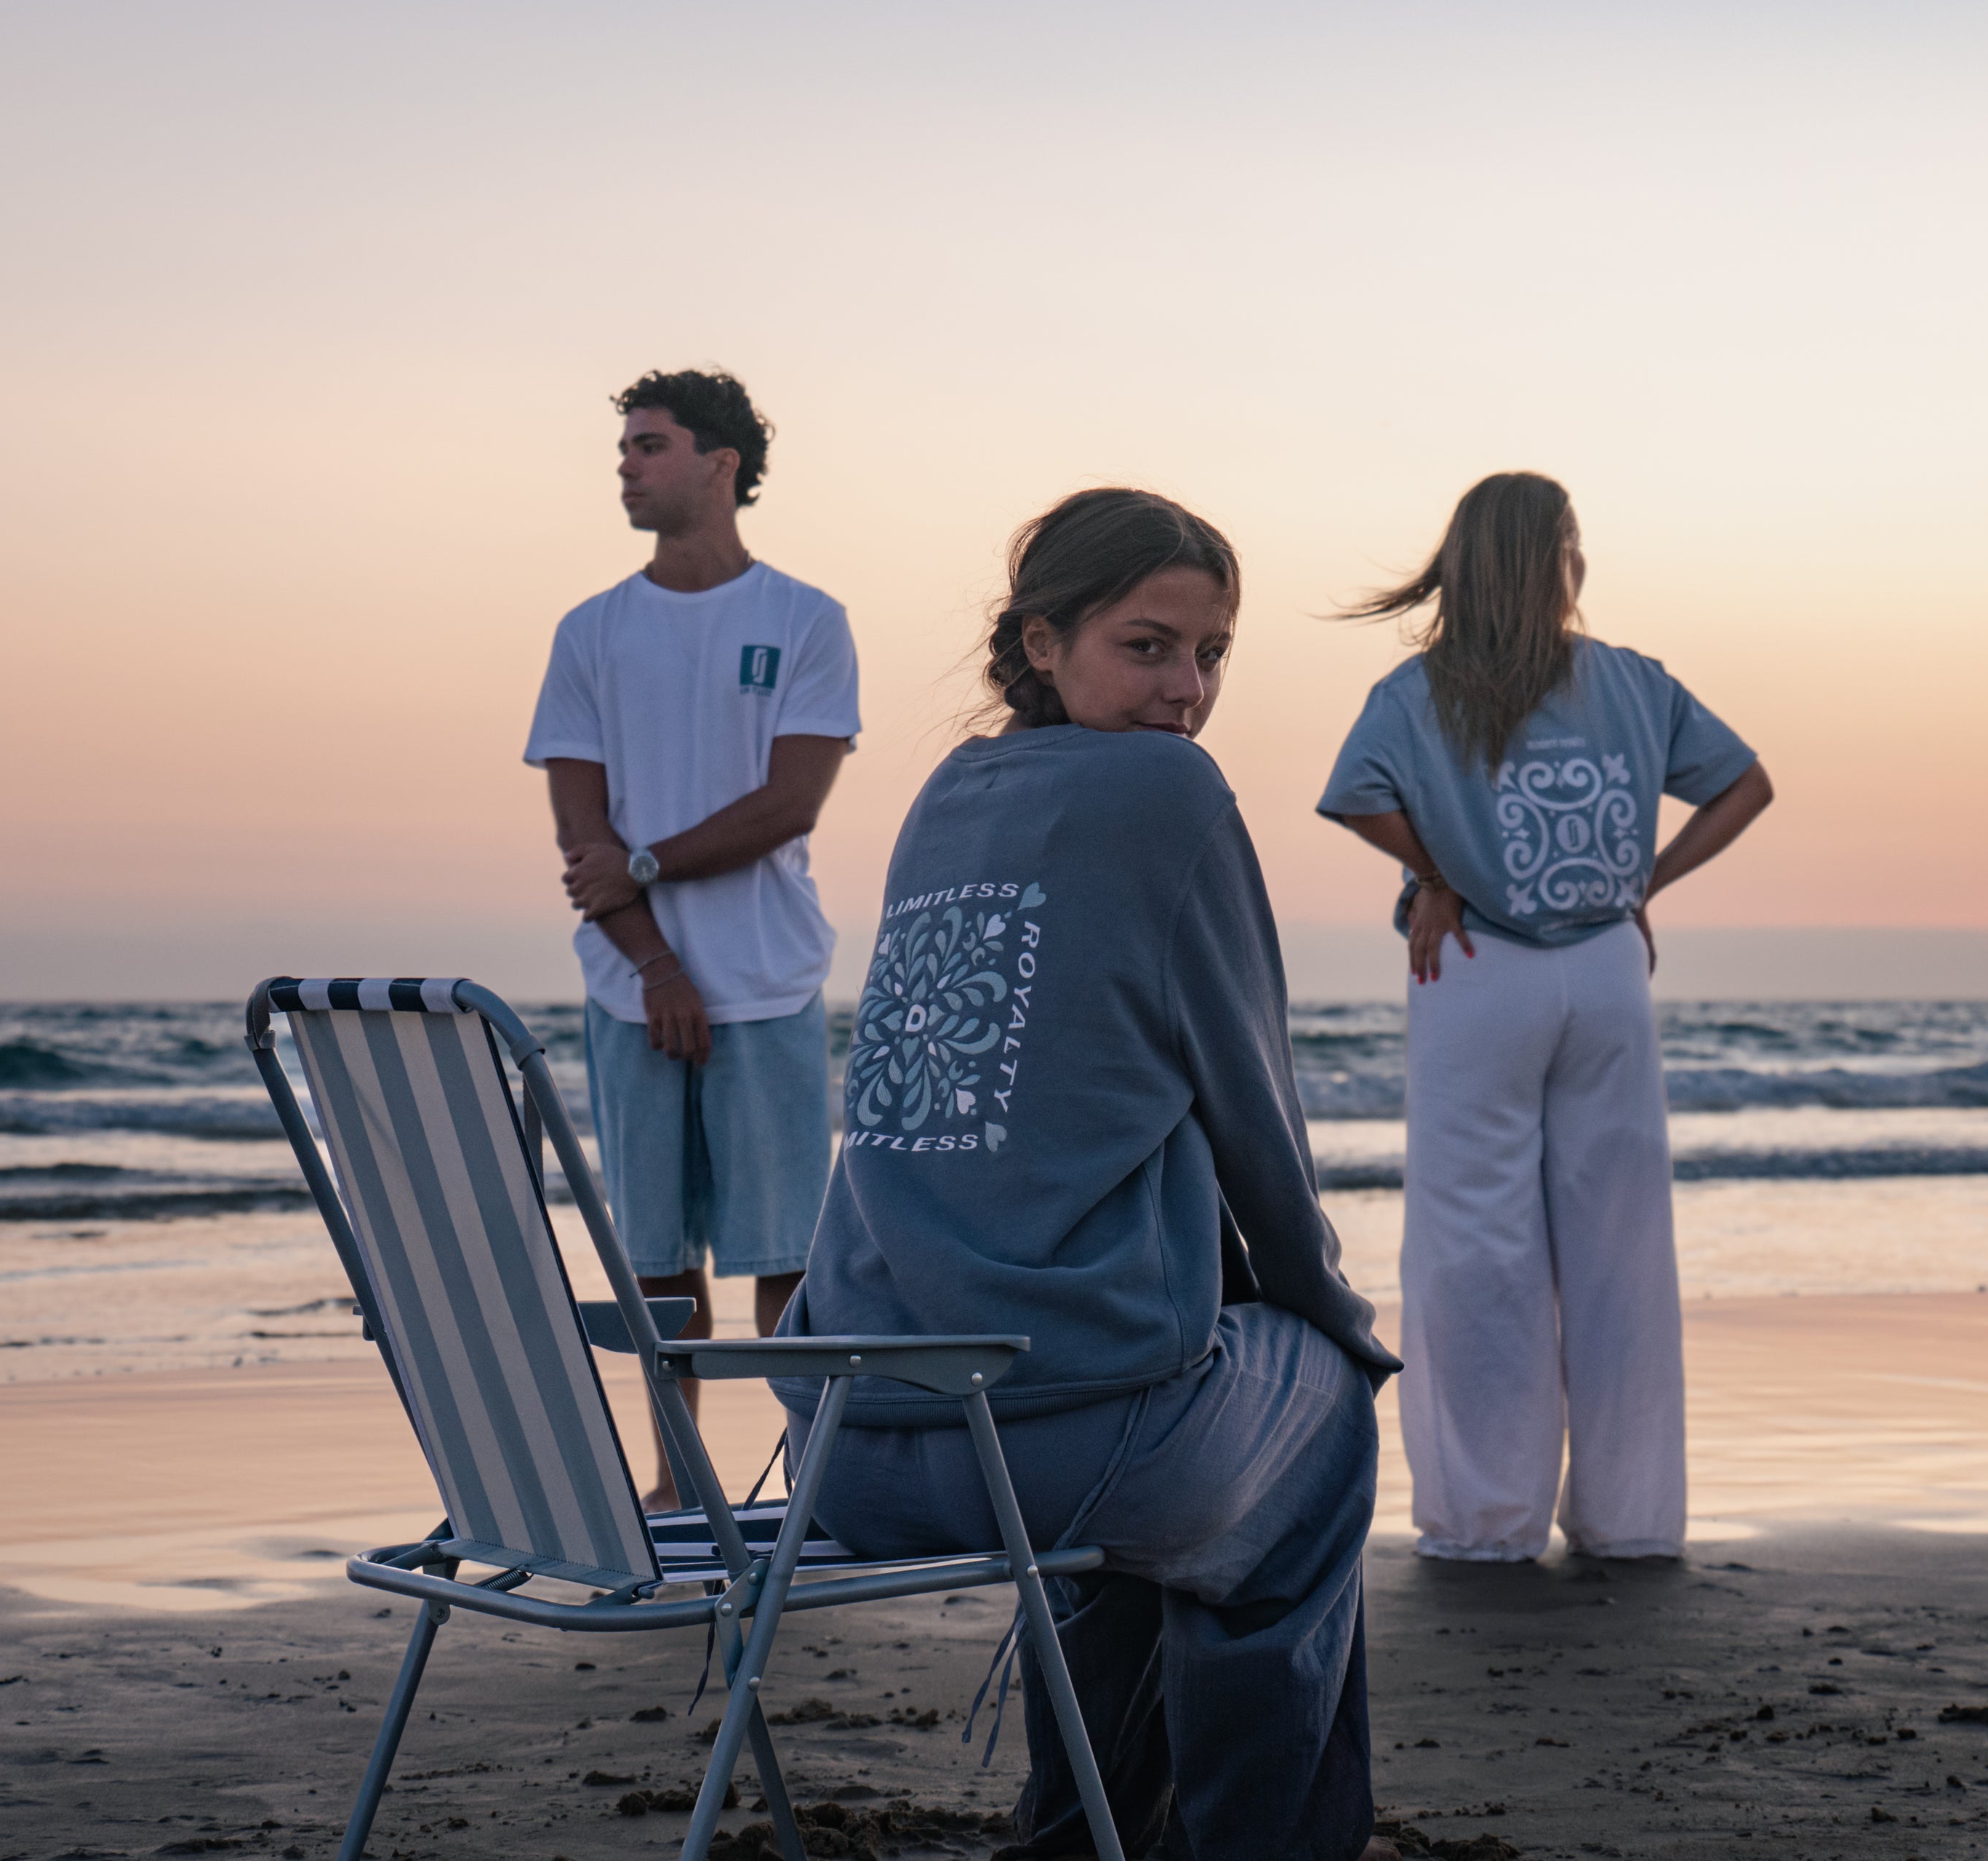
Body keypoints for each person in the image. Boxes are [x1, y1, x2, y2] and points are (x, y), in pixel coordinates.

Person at [776, 489, 1402, 1861]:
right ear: (1041, 642)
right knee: (1318, 1438)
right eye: (1148, 646)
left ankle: (1082, 1830)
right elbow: (1255, 1115)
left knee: (1167, 1413)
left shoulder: (952, 793)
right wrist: (1336, 1328)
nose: (1188, 691)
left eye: (1213, 654)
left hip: (857, 1443)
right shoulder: (1166, 791)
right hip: (1046, 1446)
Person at [1318, 472, 1772, 1565]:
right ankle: (1631, 1519)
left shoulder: (1420, 692)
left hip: (1476, 961)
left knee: (1475, 1246)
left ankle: (1486, 1520)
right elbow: (1745, 786)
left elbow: (1355, 799)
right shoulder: (1631, 682)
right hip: (1608, 968)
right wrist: (1643, 886)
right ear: (1563, 555)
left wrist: (1435, 874)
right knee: (1621, 1247)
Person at [525, 367, 859, 1511]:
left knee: (786, 1257)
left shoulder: (806, 621)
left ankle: (817, 1475)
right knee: (656, 1259)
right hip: (629, 994)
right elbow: (583, 839)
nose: (626, 464)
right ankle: (681, 1479)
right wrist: (657, 963)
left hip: (767, 983)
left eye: (649, 445)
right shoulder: (592, 632)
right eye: (625, 447)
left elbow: (790, 804)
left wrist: (653, 868)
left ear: (721, 466)